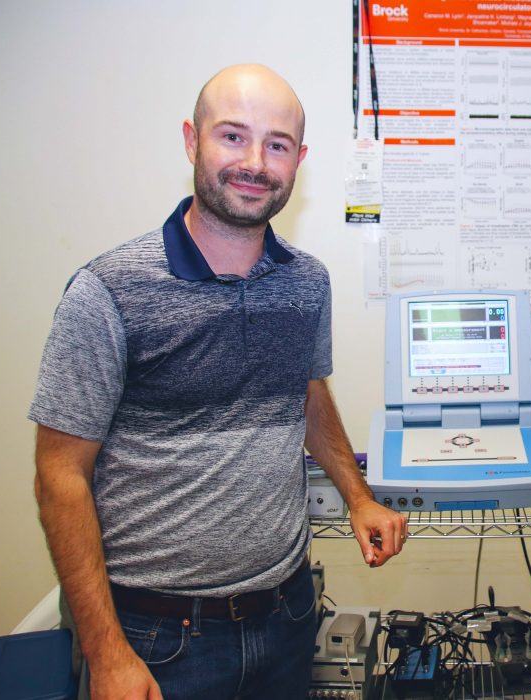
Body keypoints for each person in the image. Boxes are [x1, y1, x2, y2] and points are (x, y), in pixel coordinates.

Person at [29, 64, 409, 700]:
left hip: (287, 617)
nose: (255, 162)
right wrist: (106, 653)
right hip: (159, 639)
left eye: (277, 145)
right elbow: (58, 477)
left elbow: (309, 395)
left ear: (299, 160)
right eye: (233, 136)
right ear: (191, 140)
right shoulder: (107, 293)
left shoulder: (307, 281)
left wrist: (359, 497)